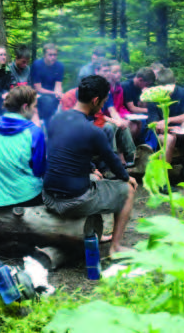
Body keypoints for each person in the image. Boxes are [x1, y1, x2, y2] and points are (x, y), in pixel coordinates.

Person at [43, 75, 137, 257]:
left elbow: (65, 154)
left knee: (95, 178)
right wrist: (128, 178)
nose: (103, 106)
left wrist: (91, 168)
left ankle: (93, 233)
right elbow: (114, 164)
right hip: (73, 202)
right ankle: (116, 248)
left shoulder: (56, 119)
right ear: (95, 100)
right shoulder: (93, 131)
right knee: (128, 190)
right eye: (103, 102)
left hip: (48, 196)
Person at [0, 86, 46, 208]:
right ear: (25, 107)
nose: (35, 111)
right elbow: (39, 170)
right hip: (24, 197)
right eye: (34, 106)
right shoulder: (33, 132)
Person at [146, 68, 184, 180]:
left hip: (177, 128)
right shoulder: (152, 96)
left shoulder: (181, 92)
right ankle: (162, 179)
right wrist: (169, 127)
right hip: (160, 133)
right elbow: (154, 123)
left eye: (170, 87)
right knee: (169, 138)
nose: (167, 90)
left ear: (175, 83)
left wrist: (168, 120)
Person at [31, 43, 64, 123]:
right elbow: (38, 88)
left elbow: (58, 84)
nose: (53, 57)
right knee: (48, 102)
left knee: (64, 100)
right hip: (38, 93)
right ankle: (44, 122)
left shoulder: (59, 66)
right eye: (50, 55)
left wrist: (59, 94)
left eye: (55, 55)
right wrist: (54, 93)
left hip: (52, 93)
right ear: (44, 55)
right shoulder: (37, 65)